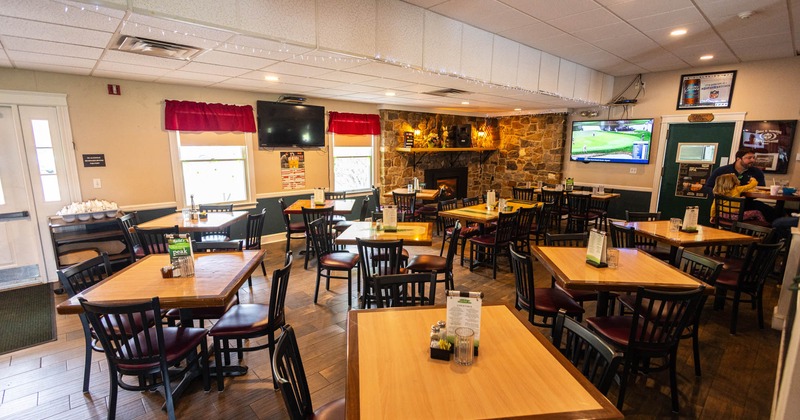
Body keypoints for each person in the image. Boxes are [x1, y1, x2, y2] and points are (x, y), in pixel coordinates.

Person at [704, 148, 778, 221]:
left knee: (768, 210)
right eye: (749, 158)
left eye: (753, 158)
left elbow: (760, 189)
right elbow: (708, 186)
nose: (753, 160)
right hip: (723, 205)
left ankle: (773, 229)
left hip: (746, 203)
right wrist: (722, 195)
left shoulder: (757, 172)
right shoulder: (722, 170)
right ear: (738, 159)